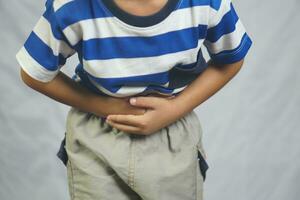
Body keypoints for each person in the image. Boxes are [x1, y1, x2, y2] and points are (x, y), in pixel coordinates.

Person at [16, 0, 252, 199]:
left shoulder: (206, 3)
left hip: (172, 141)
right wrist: (104, 106)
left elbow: (230, 60)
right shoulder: (71, 7)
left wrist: (176, 107)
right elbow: (34, 73)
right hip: (96, 140)